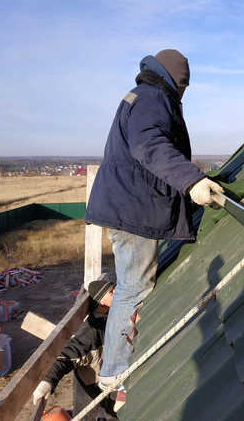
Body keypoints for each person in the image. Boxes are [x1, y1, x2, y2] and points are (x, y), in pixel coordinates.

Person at [84, 49, 223, 391]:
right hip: (133, 211)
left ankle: (116, 361)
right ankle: (114, 371)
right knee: (134, 287)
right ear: (177, 80)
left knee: (133, 283)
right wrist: (190, 181)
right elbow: (149, 145)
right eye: (184, 85)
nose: (184, 92)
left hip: (128, 206)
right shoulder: (153, 97)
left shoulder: (143, 94)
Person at [32, 278, 118, 416]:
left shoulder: (113, 316)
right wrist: (47, 382)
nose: (117, 293)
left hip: (113, 387)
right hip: (92, 392)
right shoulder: (90, 333)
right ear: (101, 301)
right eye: (112, 292)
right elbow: (65, 357)